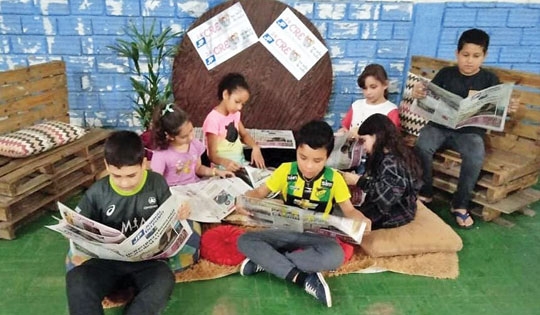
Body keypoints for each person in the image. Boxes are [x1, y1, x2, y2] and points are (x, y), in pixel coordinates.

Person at [236, 120, 371, 308]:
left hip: (317, 237)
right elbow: (259, 193)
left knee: (336, 256)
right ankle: (303, 278)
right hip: (284, 232)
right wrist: (244, 200)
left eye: (317, 161)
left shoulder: (335, 179)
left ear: (327, 157)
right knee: (244, 241)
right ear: (296, 151)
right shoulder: (285, 171)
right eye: (303, 157)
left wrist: (361, 220)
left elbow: (349, 210)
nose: (308, 166)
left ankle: (269, 262)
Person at [65, 131, 190, 315]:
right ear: (107, 165)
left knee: (164, 280)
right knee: (77, 279)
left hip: (147, 262)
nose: (124, 183)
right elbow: (78, 228)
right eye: (116, 176)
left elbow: (170, 219)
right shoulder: (97, 192)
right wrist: (73, 231)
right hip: (107, 264)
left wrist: (180, 214)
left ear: (144, 164)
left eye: (131, 175)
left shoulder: (156, 183)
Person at [412, 28, 518, 229]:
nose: (469, 61)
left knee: (476, 154)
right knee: (422, 145)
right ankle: (425, 192)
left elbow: (497, 111)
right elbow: (428, 96)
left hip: (469, 132)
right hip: (439, 126)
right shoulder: (445, 74)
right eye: (465, 55)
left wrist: (508, 109)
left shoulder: (489, 80)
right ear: (457, 54)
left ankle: (460, 205)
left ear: (484, 56)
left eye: (476, 56)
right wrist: (419, 93)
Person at [340, 114, 422, 230]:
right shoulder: (391, 153)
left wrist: (359, 181)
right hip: (396, 207)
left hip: (394, 212)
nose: (363, 147)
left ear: (377, 136)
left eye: (364, 140)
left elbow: (388, 197)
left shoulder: (391, 161)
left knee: (347, 219)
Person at [150, 102, 234, 186]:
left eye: (191, 130)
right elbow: (157, 183)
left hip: (193, 187)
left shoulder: (194, 144)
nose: (191, 137)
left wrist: (216, 172)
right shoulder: (161, 155)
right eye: (184, 137)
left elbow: (197, 168)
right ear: (170, 136)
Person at [202, 72, 265, 172]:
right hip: (222, 169)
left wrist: (255, 147)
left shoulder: (235, 114)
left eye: (242, 104)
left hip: (240, 163)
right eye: (237, 102)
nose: (239, 107)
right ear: (225, 94)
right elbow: (211, 155)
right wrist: (225, 163)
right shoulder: (212, 119)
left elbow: (244, 135)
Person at [338, 63, 401, 135]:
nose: (368, 92)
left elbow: (392, 139)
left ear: (385, 84)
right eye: (365, 88)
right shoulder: (356, 106)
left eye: (373, 87)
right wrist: (343, 132)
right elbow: (344, 127)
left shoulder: (390, 110)